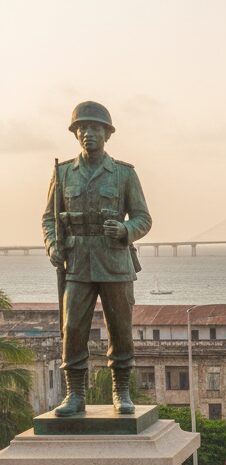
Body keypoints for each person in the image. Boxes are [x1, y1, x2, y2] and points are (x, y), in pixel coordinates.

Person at [42, 101, 151, 416]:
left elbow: (143, 218)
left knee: (120, 329)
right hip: (77, 263)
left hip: (115, 261)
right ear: (75, 133)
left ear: (107, 133)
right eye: (82, 128)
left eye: (95, 128)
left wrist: (125, 229)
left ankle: (122, 391)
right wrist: (52, 245)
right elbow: (49, 219)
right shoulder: (62, 174)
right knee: (73, 328)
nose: (88, 134)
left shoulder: (124, 174)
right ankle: (75, 395)